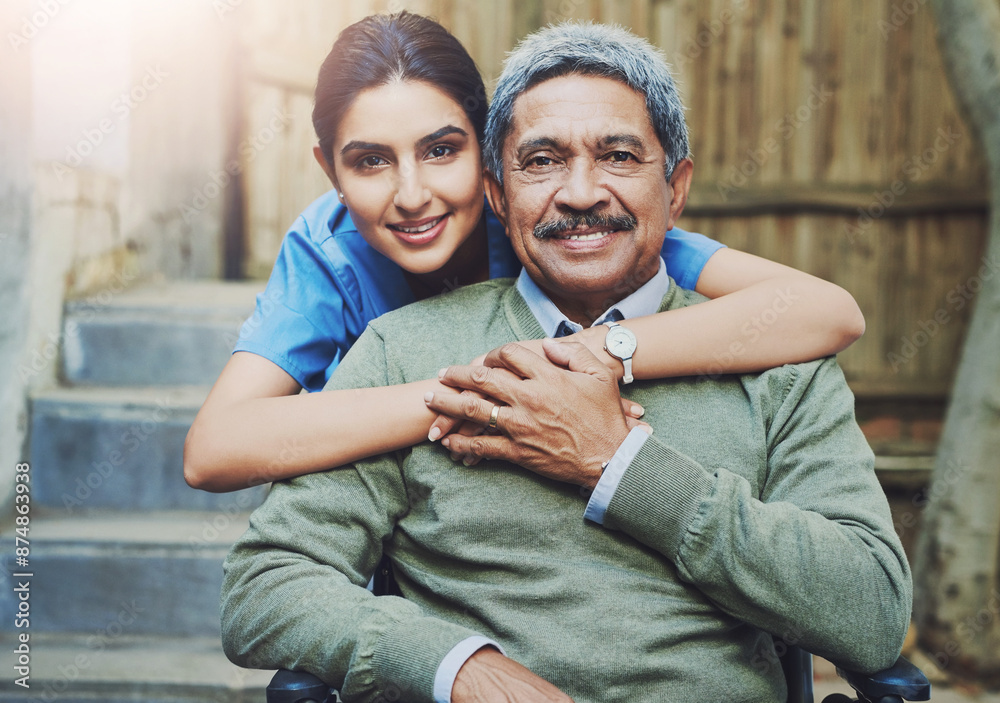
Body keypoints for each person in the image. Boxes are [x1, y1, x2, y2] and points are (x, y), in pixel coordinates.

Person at [220, 21, 910, 703]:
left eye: (617, 156)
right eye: (542, 160)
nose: (580, 193)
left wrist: (622, 464)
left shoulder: (776, 360)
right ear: (497, 192)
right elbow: (266, 585)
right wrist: (457, 665)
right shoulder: (399, 349)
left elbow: (873, 611)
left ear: (675, 190)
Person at [184, 11, 865, 493]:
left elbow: (823, 311)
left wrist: (602, 352)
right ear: (330, 171)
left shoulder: (564, 230)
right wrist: (480, 394)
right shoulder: (329, 250)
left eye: (441, 150)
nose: (412, 194)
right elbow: (215, 451)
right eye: (369, 162)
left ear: (492, 161)